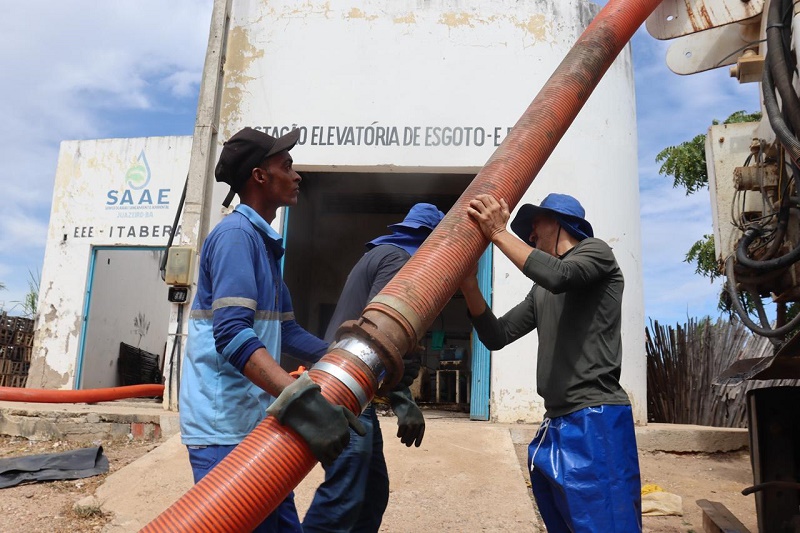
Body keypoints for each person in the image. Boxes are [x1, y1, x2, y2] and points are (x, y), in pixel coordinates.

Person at [179, 127, 366, 532]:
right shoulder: (234, 238)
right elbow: (231, 335)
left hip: (253, 422)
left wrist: (347, 357)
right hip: (222, 428)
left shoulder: (262, 246)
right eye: (287, 166)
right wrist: (300, 398)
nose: (297, 176)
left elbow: (290, 333)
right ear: (259, 177)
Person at [459, 192, 641, 532]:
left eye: (536, 225)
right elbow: (497, 336)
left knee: (607, 524)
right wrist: (470, 286)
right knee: (566, 522)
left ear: (558, 223)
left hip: (596, 420)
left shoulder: (597, 252)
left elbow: (559, 276)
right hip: (557, 422)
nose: (530, 235)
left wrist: (498, 232)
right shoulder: (541, 291)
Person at [303, 203, 444, 533]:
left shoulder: (382, 255)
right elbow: (376, 336)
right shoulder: (399, 261)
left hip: (354, 387)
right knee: (346, 494)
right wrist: (403, 401)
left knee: (371, 491)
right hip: (345, 386)